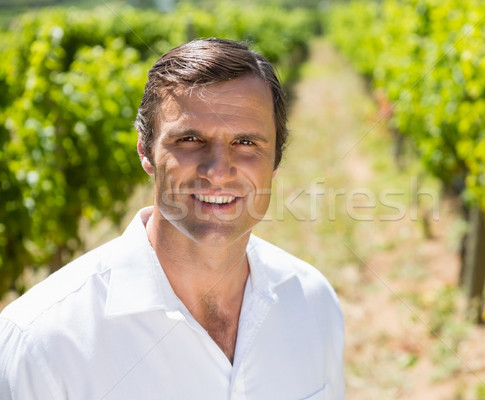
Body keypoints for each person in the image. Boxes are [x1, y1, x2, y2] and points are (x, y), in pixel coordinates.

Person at [0, 38, 345, 399]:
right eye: (190, 139)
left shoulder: (313, 302)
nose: (218, 171)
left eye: (245, 143)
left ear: (275, 159)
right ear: (145, 150)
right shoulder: (42, 345)